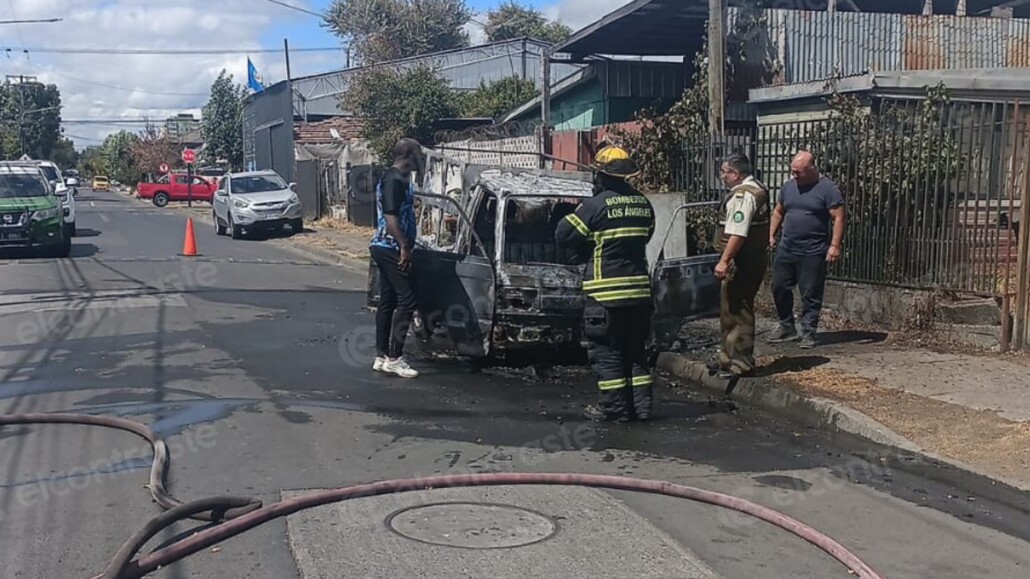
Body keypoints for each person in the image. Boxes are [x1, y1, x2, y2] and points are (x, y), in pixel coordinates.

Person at [556, 145, 657, 423]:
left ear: (600, 175)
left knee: (608, 353)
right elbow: (645, 236)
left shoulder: (594, 206)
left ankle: (614, 409)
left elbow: (563, 235)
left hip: (605, 296)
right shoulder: (642, 203)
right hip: (639, 294)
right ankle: (642, 407)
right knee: (636, 353)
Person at [767, 150, 847, 349]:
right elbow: (778, 211)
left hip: (813, 250)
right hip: (787, 247)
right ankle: (787, 326)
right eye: (792, 171)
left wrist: (835, 245)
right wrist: (771, 234)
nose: (794, 175)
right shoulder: (788, 187)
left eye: (798, 172)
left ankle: (808, 331)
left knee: (810, 293)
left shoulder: (828, 189)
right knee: (779, 286)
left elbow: (839, 217)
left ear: (812, 169)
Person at [708, 152, 772, 379]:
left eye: (725, 172)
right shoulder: (757, 187)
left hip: (742, 260)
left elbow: (738, 232)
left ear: (736, 174)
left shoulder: (744, 196)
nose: (722, 176)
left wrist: (724, 260)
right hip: (751, 257)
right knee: (730, 308)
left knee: (740, 310)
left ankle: (741, 363)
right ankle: (727, 358)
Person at [369, 138, 425, 378]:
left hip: (385, 246)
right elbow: (391, 217)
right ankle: (395, 358)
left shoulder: (397, 178)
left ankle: (381, 356)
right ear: (408, 155)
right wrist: (404, 246)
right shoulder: (394, 180)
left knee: (388, 302)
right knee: (408, 301)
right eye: (419, 153)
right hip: (390, 246)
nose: (421, 158)